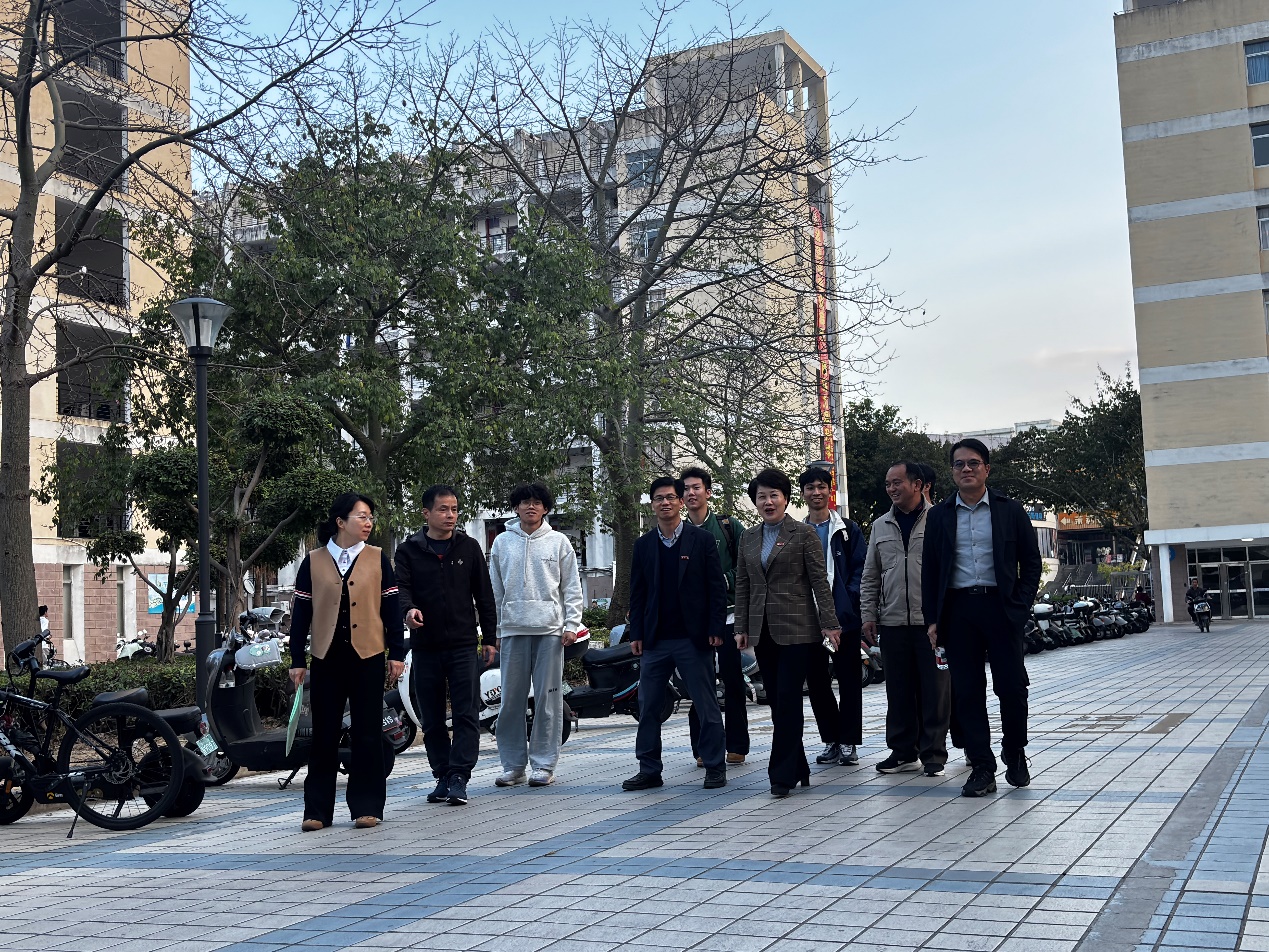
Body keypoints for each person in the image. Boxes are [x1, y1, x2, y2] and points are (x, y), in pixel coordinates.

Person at [923, 439, 1042, 798]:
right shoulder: (940, 515)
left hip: (1001, 608)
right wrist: (933, 620)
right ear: (952, 472)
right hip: (958, 611)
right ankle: (982, 767)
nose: (966, 469)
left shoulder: (1010, 510)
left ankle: (1015, 750)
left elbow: (1031, 563)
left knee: (1012, 687)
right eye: (959, 464)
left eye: (973, 463)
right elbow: (930, 571)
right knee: (967, 691)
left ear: (987, 469)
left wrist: (1020, 606)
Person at [288, 492, 405, 831]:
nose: (368, 523)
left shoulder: (378, 558)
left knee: (367, 733)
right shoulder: (313, 561)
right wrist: (297, 659)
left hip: (368, 656)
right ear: (341, 522)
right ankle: (316, 811)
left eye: (370, 517)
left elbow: (391, 610)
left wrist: (397, 653)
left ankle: (367, 806)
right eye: (361, 516)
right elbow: (301, 614)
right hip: (326, 657)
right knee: (324, 734)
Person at [734, 468, 841, 798]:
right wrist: (741, 627)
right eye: (761, 497)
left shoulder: (803, 534)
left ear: (785, 499)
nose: (768, 502)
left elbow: (819, 582)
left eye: (774, 495)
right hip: (763, 630)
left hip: (799, 630)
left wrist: (830, 623)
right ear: (755, 502)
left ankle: (781, 775)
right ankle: (799, 767)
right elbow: (743, 584)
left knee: (789, 699)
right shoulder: (748, 537)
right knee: (777, 702)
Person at [623, 477, 729, 792]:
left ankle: (715, 766)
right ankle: (649, 769)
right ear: (652, 504)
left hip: (693, 638)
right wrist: (636, 632)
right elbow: (637, 593)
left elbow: (716, 588)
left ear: (681, 502)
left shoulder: (702, 540)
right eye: (659, 498)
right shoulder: (643, 545)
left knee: (706, 704)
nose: (665, 503)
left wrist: (716, 627)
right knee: (648, 707)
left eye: (671, 497)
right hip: (655, 640)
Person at [395, 484, 497, 807]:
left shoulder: (469, 547)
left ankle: (459, 777)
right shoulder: (408, 551)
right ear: (426, 513)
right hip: (425, 647)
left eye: (454, 509)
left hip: (463, 645)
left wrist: (489, 639)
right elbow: (401, 590)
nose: (450, 515)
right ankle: (442, 774)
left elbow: (484, 596)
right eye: (443, 509)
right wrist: (409, 611)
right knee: (432, 718)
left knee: (467, 714)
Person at [489, 482, 584, 788]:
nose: (530, 506)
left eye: (537, 502)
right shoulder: (502, 542)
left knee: (548, 701)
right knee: (510, 702)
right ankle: (513, 766)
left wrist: (571, 625)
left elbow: (572, 588)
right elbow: (495, 591)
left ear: (545, 508)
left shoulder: (559, 542)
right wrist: (496, 630)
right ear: (515, 507)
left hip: (550, 632)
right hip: (512, 630)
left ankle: (543, 765)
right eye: (525, 502)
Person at [861, 462, 950, 778]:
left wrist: (944, 617)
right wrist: (868, 614)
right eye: (888, 484)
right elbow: (871, 574)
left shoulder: (940, 519)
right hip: (893, 620)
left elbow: (949, 571)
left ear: (918, 484)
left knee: (935, 691)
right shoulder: (880, 525)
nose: (891, 488)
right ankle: (903, 752)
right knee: (898, 691)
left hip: (931, 623)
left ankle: (933, 754)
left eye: (897, 482)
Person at [681, 465, 749, 767]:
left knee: (733, 682)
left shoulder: (728, 527)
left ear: (708, 492)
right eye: (686, 489)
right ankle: (703, 747)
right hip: (694, 622)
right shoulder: (678, 532)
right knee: (700, 684)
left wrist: (722, 581)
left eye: (696, 487)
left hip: (729, 616)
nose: (690, 493)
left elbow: (747, 565)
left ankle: (737, 744)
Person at [798, 466, 866, 767]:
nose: (816, 492)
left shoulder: (848, 530)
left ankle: (849, 741)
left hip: (844, 621)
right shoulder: (797, 532)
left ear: (830, 490)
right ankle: (831, 740)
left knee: (849, 681)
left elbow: (860, 569)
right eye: (810, 488)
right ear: (803, 494)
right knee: (817, 683)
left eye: (821, 486)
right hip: (808, 622)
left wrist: (845, 605)